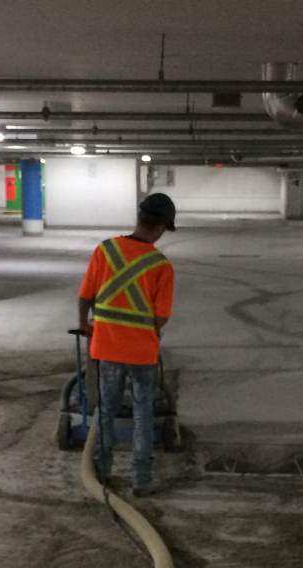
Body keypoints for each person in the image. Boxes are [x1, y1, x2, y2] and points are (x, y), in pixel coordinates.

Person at [76, 192, 176, 497]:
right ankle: (140, 479)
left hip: (106, 348)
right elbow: (161, 317)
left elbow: (85, 297)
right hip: (142, 354)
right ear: (160, 228)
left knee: (106, 410)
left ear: (138, 218)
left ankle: (103, 472)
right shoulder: (161, 265)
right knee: (143, 412)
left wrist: (85, 325)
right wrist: (147, 333)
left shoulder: (105, 251)